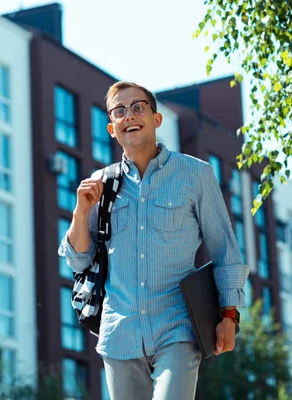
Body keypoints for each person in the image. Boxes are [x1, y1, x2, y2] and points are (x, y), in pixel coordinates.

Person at [58, 81, 249, 400]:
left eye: (137, 107)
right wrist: (81, 212)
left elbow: (224, 250)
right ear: (111, 128)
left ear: (156, 119)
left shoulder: (195, 175)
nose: (128, 115)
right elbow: (79, 260)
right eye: (119, 111)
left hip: (178, 328)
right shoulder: (101, 184)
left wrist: (230, 315)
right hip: (120, 335)